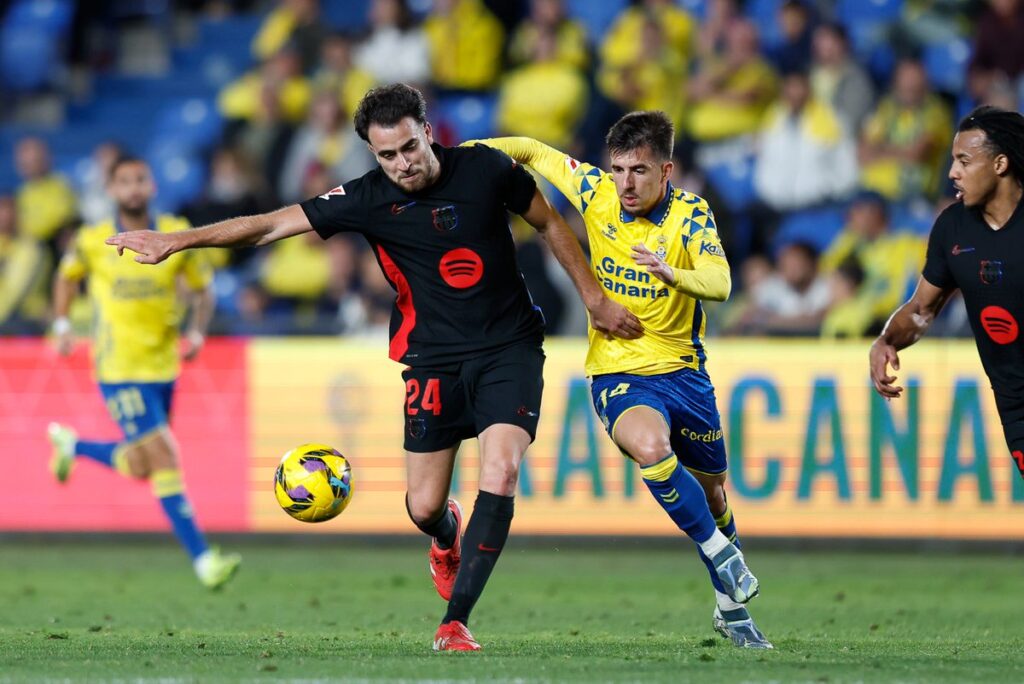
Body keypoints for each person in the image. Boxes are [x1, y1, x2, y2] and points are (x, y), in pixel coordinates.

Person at [107, 83, 640, 651]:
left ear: (428, 132)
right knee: (423, 506)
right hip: (431, 359)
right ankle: (444, 536)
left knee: (501, 470)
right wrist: (176, 241)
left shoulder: (487, 168)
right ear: (372, 153)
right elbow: (269, 226)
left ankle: (455, 622)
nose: (403, 164)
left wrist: (596, 300)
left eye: (410, 147)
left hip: (509, 346)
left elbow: (550, 223)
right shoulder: (364, 198)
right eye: (387, 155)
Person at [473, 111, 771, 649]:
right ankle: (720, 553)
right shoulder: (596, 191)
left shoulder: (691, 215)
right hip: (618, 371)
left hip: (684, 373)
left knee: (715, 494)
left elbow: (722, 283)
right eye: (617, 169)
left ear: (666, 170)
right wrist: (458, 154)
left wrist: (669, 272)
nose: (625, 184)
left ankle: (732, 611)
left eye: (638, 171)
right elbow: (530, 149)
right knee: (651, 446)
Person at [48, 156, 241, 589]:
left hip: (163, 366)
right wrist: (61, 325)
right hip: (118, 368)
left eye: (139, 179)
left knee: (140, 465)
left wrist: (196, 332)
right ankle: (204, 560)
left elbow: (203, 290)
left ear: (151, 186)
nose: (133, 188)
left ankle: (72, 445)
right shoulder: (93, 239)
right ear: (112, 190)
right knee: (166, 457)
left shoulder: (174, 233)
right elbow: (65, 278)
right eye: (123, 181)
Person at [870, 105, 1024, 483]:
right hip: (1015, 401)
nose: (952, 172)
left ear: (1000, 164)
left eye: (964, 161)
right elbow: (922, 308)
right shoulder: (952, 229)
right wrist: (887, 338)